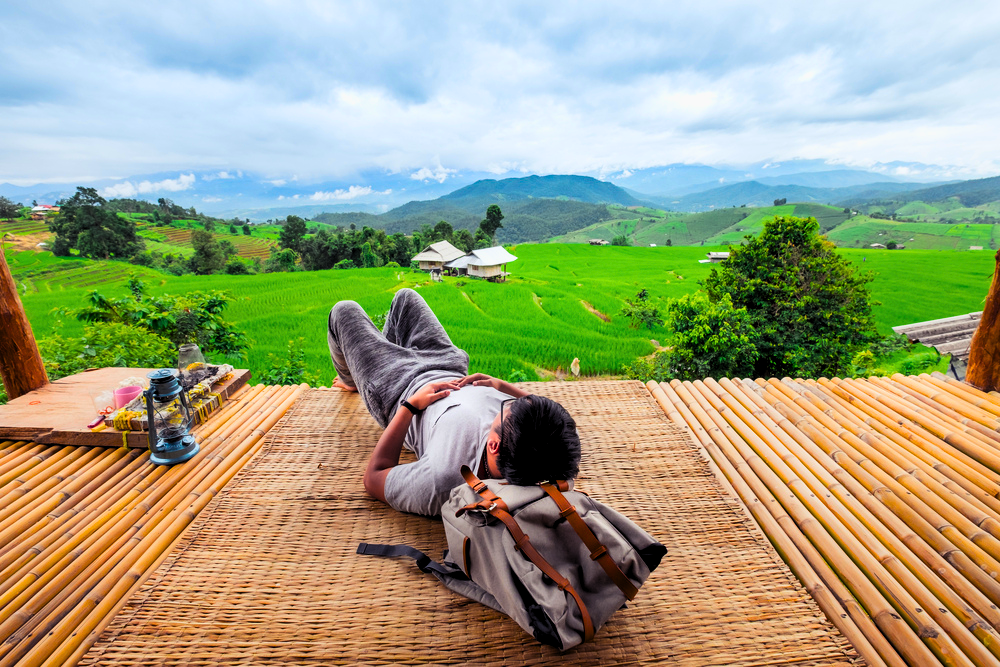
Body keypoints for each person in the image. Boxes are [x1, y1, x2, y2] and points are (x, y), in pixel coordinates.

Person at [327, 288, 581, 516]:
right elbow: (553, 418)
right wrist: (501, 386)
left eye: (507, 408)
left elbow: (373, 477)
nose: (511, 401)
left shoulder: (441, 482)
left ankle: (351, 379)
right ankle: (385, 352)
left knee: (343, 311)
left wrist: (410, 407)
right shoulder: (550, 453)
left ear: (493, 445)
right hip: (448, 365)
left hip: (397, 387)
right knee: (406, 298)